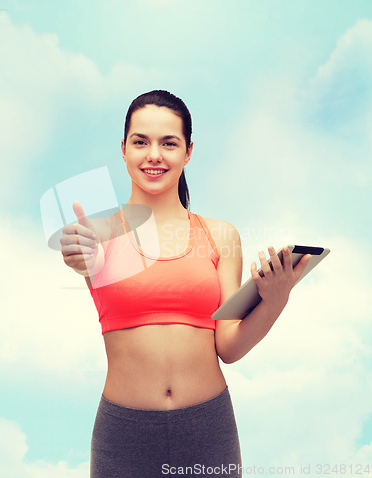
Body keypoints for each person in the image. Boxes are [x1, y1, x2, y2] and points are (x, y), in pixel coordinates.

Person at [60, 90, 311, 478]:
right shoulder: (99, 235)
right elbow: (85, 260)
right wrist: (80, 257)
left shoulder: (221, 236)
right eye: (141, 142)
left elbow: (228, 346)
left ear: (188, 152)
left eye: (169, 143)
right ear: (123, 149)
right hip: (124, 434)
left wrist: (277, 297)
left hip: (207, 428)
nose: (154, 154)